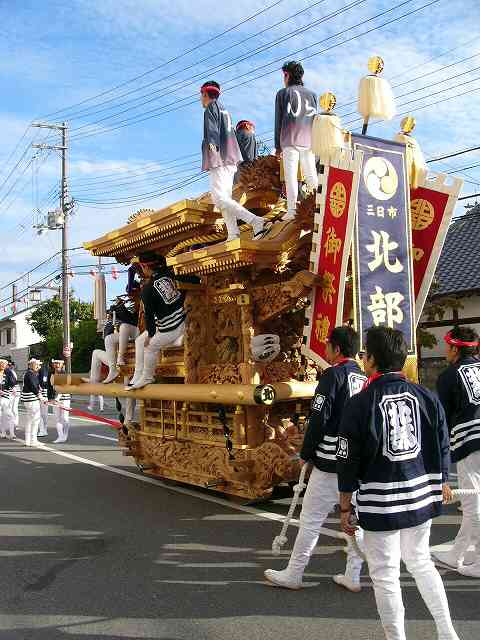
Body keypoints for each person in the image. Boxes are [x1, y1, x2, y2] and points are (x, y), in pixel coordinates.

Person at [337, 326, 459, 640]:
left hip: (380, 501)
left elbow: (347, 460)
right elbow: (442, 443)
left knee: (386, 575)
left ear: (372, 359)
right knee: (421, 562)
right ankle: (447, 632)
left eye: (365, 353)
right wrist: (442, 481)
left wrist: (345, 505)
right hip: (420, 496)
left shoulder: (360, 403)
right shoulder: (426, 396)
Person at [264, 326, 366, 590]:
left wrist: (306, 453)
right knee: (354, 519)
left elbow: (320, 418)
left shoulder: (333, 375)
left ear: (337, 349)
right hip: (356, 461)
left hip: (331, 460)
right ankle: (353, 574)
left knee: (310, 519)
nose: (326, 350)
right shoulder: (362, 375)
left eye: (328, 345)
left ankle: (295, 572)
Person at [434, 326, 480, 578]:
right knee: (476, 499)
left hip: (470, 442)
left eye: (447, 346)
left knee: (474, 503)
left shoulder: (449, 376)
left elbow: (444, 419)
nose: (445, 351)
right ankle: (457, 552)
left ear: (454, 349)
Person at [200, 80, 268, 242]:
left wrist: (213, 152)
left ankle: (256, 221)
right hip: (231, 160)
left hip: (220, 158)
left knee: (219, 198)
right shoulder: (224, 110)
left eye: (201, 96)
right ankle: (233, 234)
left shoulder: (211, 108)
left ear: (205, 94)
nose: (200, 99)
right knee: (225, 199)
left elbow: (212, 132)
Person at [126, 255, 200, 391]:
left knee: (149, 348)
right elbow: (194, 280)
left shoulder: (147, 290)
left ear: (145, 267)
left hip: (170, 328)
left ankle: (147, 376)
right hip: (183, 319)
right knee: (139, 341)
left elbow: (148, 316)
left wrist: (150, 336)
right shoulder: (169, 274)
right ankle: (137, 375)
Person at [274, 61, 318, 221]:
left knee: (291, 175)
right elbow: (315, 120)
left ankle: (292, 209)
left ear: (287, 75)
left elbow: (278, 121)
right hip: (309, 139)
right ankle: (319, 204)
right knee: (311, 173)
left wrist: (277, 147)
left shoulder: (282, 93)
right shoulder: (312, 95)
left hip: (289, 139)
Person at [103, 299, 139, 383]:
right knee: (109, 338)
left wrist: (120, 308)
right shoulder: (133, 304)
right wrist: (117, 310)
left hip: (142, 332)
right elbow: (129, 318)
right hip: (132, 332)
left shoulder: (143, 300)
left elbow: (132, 320)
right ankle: (113, 370)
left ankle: (120, 358)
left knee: (124, 326)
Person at [21, 358, 44, 447]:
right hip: (32, 399)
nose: (38, 366)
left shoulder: (29, 373)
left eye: (39, 365)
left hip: (28, 399)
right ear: (31, 365)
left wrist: (39, 390)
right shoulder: (30, 374)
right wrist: (40, 395)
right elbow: (33, 386)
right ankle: (33, 440)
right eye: (36, 364)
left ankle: (28, 440)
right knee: (35, 420)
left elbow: (34, 385)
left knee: (30, 420)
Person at [51, 359, 70, 444]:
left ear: (62, 364)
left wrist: (58, 397)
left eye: (58, 363)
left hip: (65, 399)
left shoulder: (64, 374)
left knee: (65, 418)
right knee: (57, 418)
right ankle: (60, 436)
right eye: (55, 363)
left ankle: (65, 435)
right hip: (55, 399)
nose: (57, 365)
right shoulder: (52, 374)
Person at [0, 357, 16, 440]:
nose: (3, 365)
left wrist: (13, 389)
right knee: (0, 416)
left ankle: (12, 433)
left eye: (4, 364)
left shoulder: (8, 373)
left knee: (9, 415)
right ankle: (2, 432)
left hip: (5, 397)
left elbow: (12, 383)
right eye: (1, 363)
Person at [37, 360, 50, 437]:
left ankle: (44, 429)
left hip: (43, 394)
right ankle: (42, 430)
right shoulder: (34, 372)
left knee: (43, 414)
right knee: (41, 414)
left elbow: (44, 383)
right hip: (39, 394)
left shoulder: (43, 371)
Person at [7, 361, 20, 428]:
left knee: (14, 408)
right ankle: (13, 423)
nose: (10, 366)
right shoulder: (10, 372)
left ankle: (15, 423)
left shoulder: (12, 372)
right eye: (9, 365)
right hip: (12, 391)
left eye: (11, 365)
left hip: (15, 391)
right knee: (11, 408)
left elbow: (14, 382)